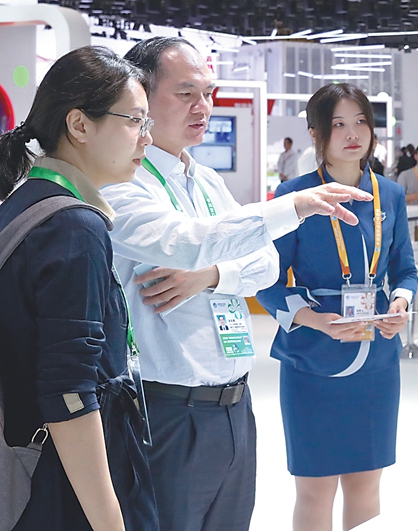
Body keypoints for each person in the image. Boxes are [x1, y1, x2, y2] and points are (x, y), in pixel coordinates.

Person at [100, 37, 372, 531]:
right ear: (140, 96)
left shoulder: (205, 180)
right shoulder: (123, 182)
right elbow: (185, 241)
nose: (203, 107)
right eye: (186, 94)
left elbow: (265, 263)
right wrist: (293, 206)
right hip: (164, 408)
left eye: (208, 93)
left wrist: (212, 276)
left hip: (233, 406)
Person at [0, 46, 157, 530]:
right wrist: (111, 523)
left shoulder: (26, 202)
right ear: (79, 125)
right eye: (135, 121)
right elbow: (69, 394)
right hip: (54, 483)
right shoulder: (73, 227)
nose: (146, 138)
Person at [256, 83, 417, 531]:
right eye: (338, 124)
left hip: (377, 359)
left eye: (360, 122)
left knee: (367, 485)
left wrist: (401, 301)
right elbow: (266, 280)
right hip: (312, 357)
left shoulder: (390, 194)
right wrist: (313, 320)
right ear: (316, 133)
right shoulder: (294, 194)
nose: (352, 133)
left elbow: (405, 269)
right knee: (315, 488)